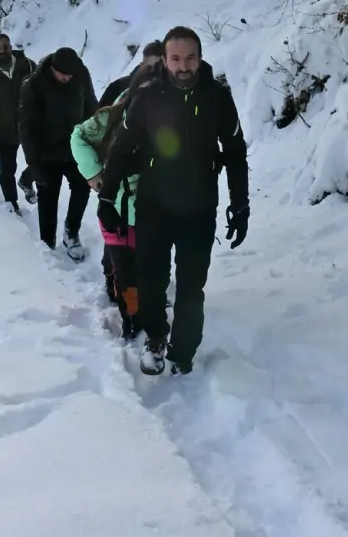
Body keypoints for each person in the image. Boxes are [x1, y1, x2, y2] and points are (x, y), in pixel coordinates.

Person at [102, 24, 248, 377]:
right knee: (151, 277)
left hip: (199, 207)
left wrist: (240, 204)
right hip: (153, 204)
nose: (184, 66)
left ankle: (184, 349)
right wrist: (108, 195)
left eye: (190, 58)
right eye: (176, 59)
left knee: (191, 283)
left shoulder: (217, 96)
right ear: (165, 60)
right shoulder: (148, 96)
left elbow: (234, 151)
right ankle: (155, 338)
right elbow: (122, 148)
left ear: (200, 57)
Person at [70, 57, 160, 340]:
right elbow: (79, 136)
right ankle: (132, 318)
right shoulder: (112, 116)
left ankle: (140, 309)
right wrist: (94, 172)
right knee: (125, 273)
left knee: (146, 270)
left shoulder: (171, 120)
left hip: (152, 212)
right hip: (115, 207)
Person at [17, 46, 97, 261]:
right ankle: (47, 245)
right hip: (47, 152)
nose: (67, 78)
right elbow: (27, 128)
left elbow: (91, 107)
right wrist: (34, 164)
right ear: (53, 68)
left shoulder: (81, 75)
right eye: (63, 74)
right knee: (48, 196)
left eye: (70, 74)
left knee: (82, 188)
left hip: (75, 148)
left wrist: (96, 141)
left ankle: (71, 233)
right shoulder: (34, 84)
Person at [0, 32, 35, 212]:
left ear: (11, 47)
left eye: (5, 47)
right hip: (6, 129)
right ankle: (12, 203)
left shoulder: (27, 65)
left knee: (41, 160)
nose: (2, 51)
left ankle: (26, 180)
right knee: (7, 168)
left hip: (30, 125)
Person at [96, 39, 165, 109]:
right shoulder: (119, 87)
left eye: (155, 67)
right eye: (147, 66)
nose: (150, 71)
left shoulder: (165, 92)